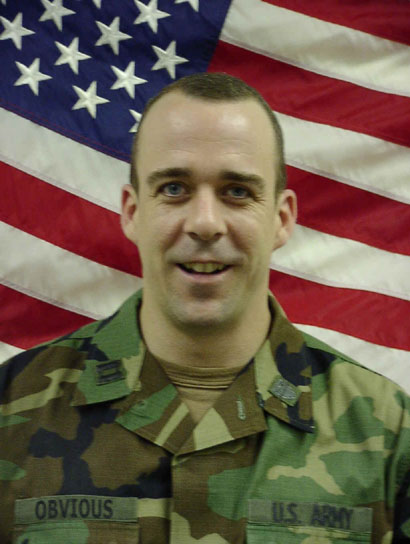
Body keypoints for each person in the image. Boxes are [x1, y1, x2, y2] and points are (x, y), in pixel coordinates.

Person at [0, 73, 409, 544]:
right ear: (132, 212)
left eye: (237, 192)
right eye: (174, 189)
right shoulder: (12, 411)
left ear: (281, 219)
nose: (205, 223)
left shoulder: (387, 434)